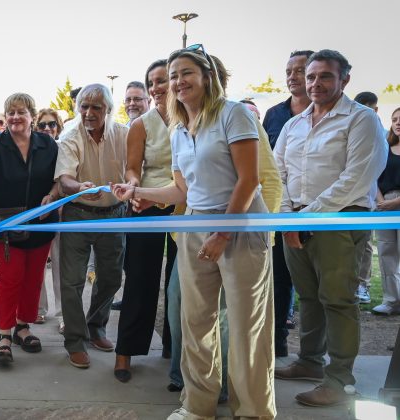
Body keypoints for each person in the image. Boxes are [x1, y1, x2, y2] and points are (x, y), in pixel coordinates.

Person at [113, 45, 275, 419]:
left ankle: (253, 411)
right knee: (196, 323)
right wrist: (139, 193)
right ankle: (198, 406)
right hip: (194, 227)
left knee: (247, 326)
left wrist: (224, 232)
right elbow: (182, 192)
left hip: (239, 227)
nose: (178, 81)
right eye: (173, 76)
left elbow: (249, 179)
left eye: (186, 72)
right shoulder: (177, 129)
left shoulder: (233, 115)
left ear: (206, 77)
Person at [274, 49, 387, 407]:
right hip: (296, 222)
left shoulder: (361, 119)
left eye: (324, 76)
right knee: (308, 297)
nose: (315, 83)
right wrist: (287, 217)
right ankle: (309, 361)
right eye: (311, 77)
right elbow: (276, 174)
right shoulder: (294, 124)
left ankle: (340, 379)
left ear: (344, 80)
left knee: (338, 300)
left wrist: (306, 218)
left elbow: (356, 179)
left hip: (339, 221)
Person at [0, 93, 59, 364]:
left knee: (33, 280)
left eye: (21, 112)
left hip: (42, 225)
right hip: (7, 227)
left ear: (32, 115)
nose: (15, 117)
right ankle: (5, 334)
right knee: (10, 279)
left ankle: (23, 326)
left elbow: (61, 177)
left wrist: (54, 194)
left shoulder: (48, 144)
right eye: (10, 113)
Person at [55, 84, 128, 369]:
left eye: (96, 107)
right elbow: (64, 178)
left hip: (114, 215)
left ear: (108, 110)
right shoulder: (70, 134)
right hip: (77, 214)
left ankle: (96, 326)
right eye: (84, 106)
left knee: (111, 278)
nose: (88, 112)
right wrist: (79, 187)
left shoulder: (123, 134)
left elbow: (135, 168)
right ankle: (75, 340)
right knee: (72, 281)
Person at [113, 60, 176, 383]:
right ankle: (125, 351)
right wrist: (135, 186)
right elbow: (132, 168)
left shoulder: (194, 118)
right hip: (147, 203)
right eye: (152, 82)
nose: (156, 87)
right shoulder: (142, 125)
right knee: (139, 277)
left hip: (184, 205)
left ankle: (174, 348)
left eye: (163, 80)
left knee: (181, 281)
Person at [262, 49, 314, 358]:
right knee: (278, 280)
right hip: (280, 211)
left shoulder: (349, 116)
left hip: (324, 214)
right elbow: (269, 164)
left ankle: (315, 357)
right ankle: (276, 343)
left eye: (301, 70)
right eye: (289, 70)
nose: (293, 76)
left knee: (318, 289)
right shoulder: (275, 115)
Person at [33, 108, 65, 330]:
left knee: (62, 265)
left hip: (62, 214)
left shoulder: (64, 148)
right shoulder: (32, 150)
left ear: (58, 127)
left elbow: (65, 179)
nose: (47, 128)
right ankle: (38, 309)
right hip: (36, 214)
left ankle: (64, 314)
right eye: (42, 125)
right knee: (37, 264)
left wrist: (56, 201)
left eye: (51, 124)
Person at [354, 91, 383, 305]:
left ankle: (362, 284)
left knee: (365, 244)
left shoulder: (377, 128)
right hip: (351, 197)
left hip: (369, 196)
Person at [374, 107, 400, 316]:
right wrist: (382, 201)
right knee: (386, 252)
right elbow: (372, 175)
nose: (397, 122)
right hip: (383, 204)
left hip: (398, 202)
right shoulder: (384, 147)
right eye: (394, 119)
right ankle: (391, 301)